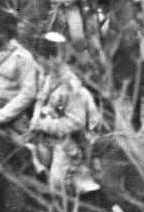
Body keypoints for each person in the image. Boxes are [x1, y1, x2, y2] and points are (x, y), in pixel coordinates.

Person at [29, 33, 100, 196]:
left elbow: (75, 123)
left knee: (56, 181)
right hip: (47, 136)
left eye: (42, 60)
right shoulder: (48, 77)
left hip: (72, 140)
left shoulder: (70, 85)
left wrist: (42, 124)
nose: (40, 63)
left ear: (54, 59)